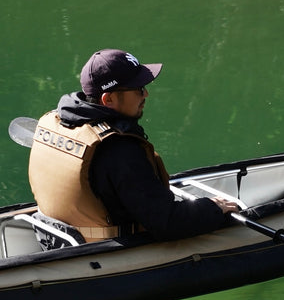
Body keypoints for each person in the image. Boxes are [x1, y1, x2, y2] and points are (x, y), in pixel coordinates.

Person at [28, 49, 239, 245]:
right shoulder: (119, 150)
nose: (145, 94)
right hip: (104, 254)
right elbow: (167, 223)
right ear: (109, 99)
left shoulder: (59, 121)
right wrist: (212, 207)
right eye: (138, 89)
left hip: (53, 237)